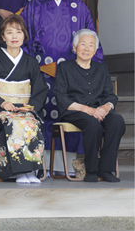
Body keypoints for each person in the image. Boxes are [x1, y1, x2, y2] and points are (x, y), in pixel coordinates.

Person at [21, 0, 102, 171]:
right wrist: (37, 67)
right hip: (40, 74)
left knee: (72, 112)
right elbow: (23, 40)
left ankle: (73, 163)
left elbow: (91, 41)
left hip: (72, 75)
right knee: (40, 113)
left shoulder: (78, 6)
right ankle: (37, 164)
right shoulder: (33, 6)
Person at [0, 15, 47, 183]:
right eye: (9, 32)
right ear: (2, 37)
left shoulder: (30, 62)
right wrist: (1, 102)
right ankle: (18, 172)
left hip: (24, 107)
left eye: (19, 32)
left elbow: (40, 89)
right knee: (13, 123)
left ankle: (31, 171)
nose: (14, 36)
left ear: (24, 36)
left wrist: (31, 106)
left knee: (30, 122)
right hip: (1, 109)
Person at [54, 29, 125, 183]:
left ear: (95, 50)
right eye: (83, 44)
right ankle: (91, 170)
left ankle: (106, 169)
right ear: (74, 47)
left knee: (117, 121)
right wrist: (89, 110)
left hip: (99, 109)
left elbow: (110, 96)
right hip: (74, 111)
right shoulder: (64, 67)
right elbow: (61, 97)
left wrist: (105, 108)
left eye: (91, 45)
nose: (87, 48)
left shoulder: (102, 69)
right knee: (93, 124)